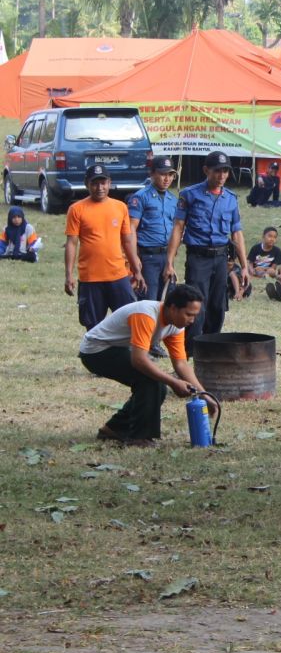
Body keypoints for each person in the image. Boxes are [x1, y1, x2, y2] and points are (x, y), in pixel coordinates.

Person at [79, 283, 213, 447]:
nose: (192, 320)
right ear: (172, 308)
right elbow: (139, 360)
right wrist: (173, 382)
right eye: (189, 314)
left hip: (119, 348)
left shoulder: (176, 326)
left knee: (153, 383)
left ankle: (114, 429)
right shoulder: (146, 314)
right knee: (152, 381)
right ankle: (139, 437)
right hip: (96, 351)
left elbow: (181, 363)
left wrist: (204, 394)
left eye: (195, 316)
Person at [164, 150, 249, 353]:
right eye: (217, 171)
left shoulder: (230, 198)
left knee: (218, 306)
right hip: (198, 257)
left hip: (221, 258)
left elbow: (237, 233)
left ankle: (211, 348)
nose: (222, 176)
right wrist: (169, 261)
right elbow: (178, 227)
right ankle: (191, 352)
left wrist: (244, 267)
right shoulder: (189, 195)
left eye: (225, 171)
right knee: (196, 307)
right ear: (206, 170)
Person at [65, 164, 145, 330]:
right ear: (87, 184)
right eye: (95, 183)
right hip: (90, 278)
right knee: (93, 328)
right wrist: (69, 275)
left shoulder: (120, 207)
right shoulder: (76, 209)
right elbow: (72, 243)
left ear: (109, 183)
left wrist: (136, 270)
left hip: (118, 275)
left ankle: (127, 356)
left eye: (103, 183)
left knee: (130, 323)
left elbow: (127, 240)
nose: (99, 187)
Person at [127, 156, 178, 303]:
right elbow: (131, 229)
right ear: (152, 174)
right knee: (149, 301)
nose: (167, 179)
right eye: (163, 174)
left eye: (170, 174)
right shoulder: (140, 197)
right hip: (148, 257)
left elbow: (175, 228)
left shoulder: (173, 200)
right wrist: (135, 259)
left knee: (167, 301)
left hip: (167, 256)